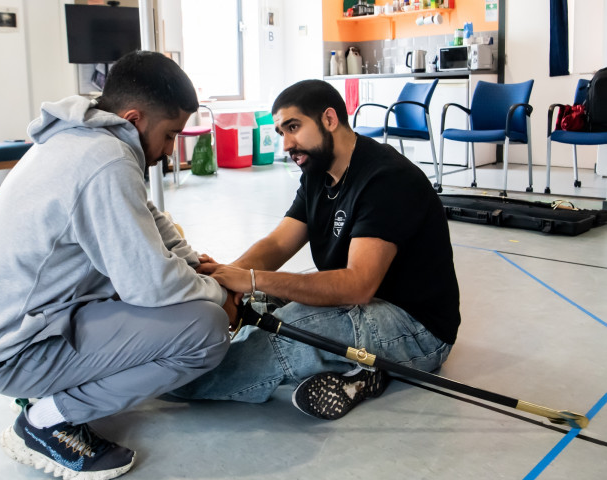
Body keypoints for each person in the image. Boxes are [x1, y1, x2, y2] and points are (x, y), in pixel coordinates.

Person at [0, 51, 238, 480]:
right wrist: (221, 296)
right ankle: (44, 422)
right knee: (206, 330)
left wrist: (200, 265)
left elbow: (150, 219)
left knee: (185, 300)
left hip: (16, 328)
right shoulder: (106, 161)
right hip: (12, 353)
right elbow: (152, 286)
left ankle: (60, 391)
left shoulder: (81, 137)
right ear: (135, 117)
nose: (167, 151)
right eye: (168, 135)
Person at [172, 79, 460, 421]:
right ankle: (364, 372)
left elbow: (358, 285)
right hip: (358, 305)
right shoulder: (318, 171)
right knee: (263, 303)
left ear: (328, 119)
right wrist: (223, 282)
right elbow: (278, 243)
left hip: (417, 330)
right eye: (281, 132)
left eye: (293, 127)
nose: (287, 145)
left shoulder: (387, 179)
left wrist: (250, 280)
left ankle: (173, 381)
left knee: (291, 324)